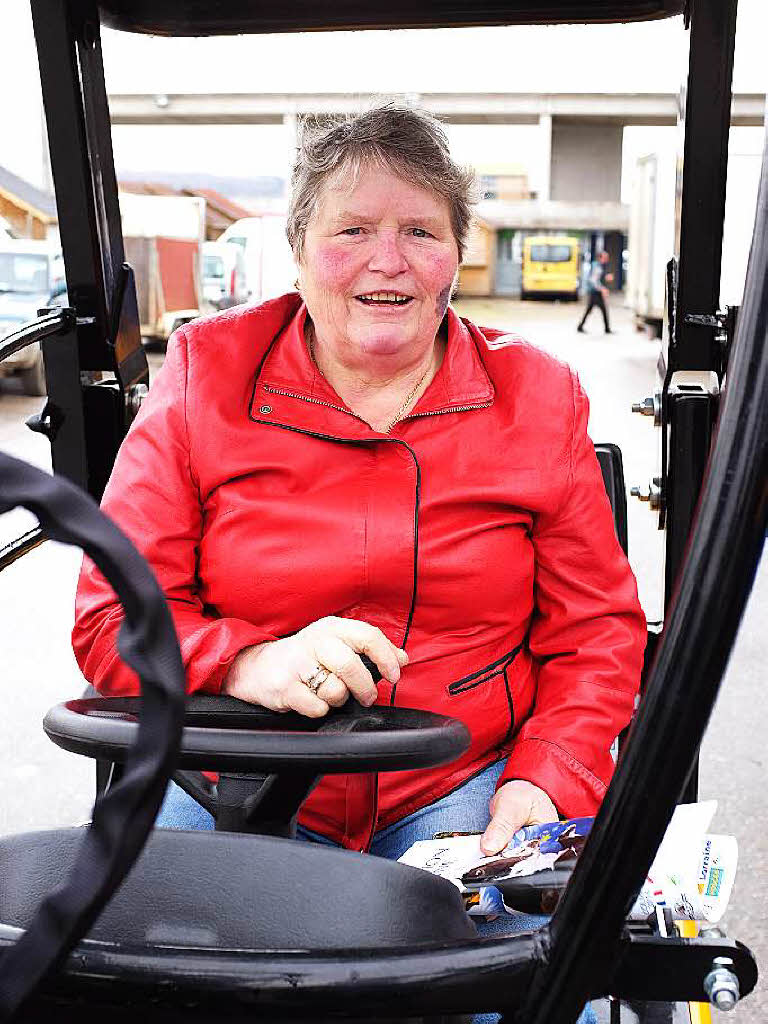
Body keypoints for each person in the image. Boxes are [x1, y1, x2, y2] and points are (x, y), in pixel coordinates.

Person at [73, 105, 645, 1022]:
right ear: (297, 249)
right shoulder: (202, 374)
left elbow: (598, 634)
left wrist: (550, 774)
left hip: (463, 781)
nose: (389, 261)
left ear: (456, 252)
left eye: (420, 230)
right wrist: (246, 661)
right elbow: (112, 618)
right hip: (232, 775)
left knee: (544, 988)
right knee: (145, 989)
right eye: (351, 231)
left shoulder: (539, 396)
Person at [577, 250, 613, 334]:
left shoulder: (598, 266)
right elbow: (593, 280)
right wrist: (602, 289)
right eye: (605, 257)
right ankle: (607, 329)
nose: (607, 259)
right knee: (601, 309)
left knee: (591, 310)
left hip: (595, 291)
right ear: (600, 258)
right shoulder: (597, 266)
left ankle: (580, 326)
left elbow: (597, 278)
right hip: (594, 292)